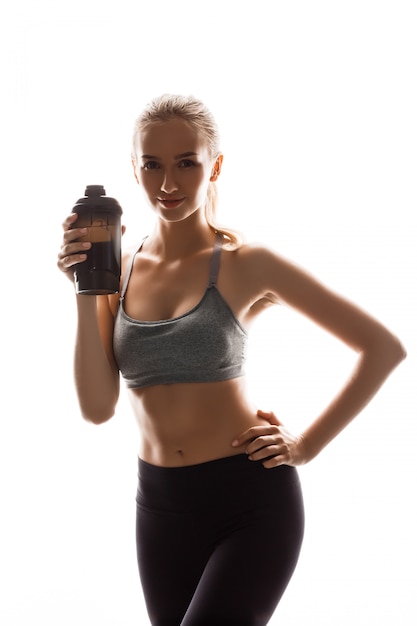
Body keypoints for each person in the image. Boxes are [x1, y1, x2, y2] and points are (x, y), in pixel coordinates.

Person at [57, 93, 406, 625]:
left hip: (250, 502)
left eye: (186, 163)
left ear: (214, 165)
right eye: (152, 165)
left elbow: (383, 347)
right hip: (159, 506)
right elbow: (98, 407)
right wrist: (87, 287)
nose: (168, 184)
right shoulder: (120, 271)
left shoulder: (247, 264)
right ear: (134, 168)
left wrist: (306, 445)